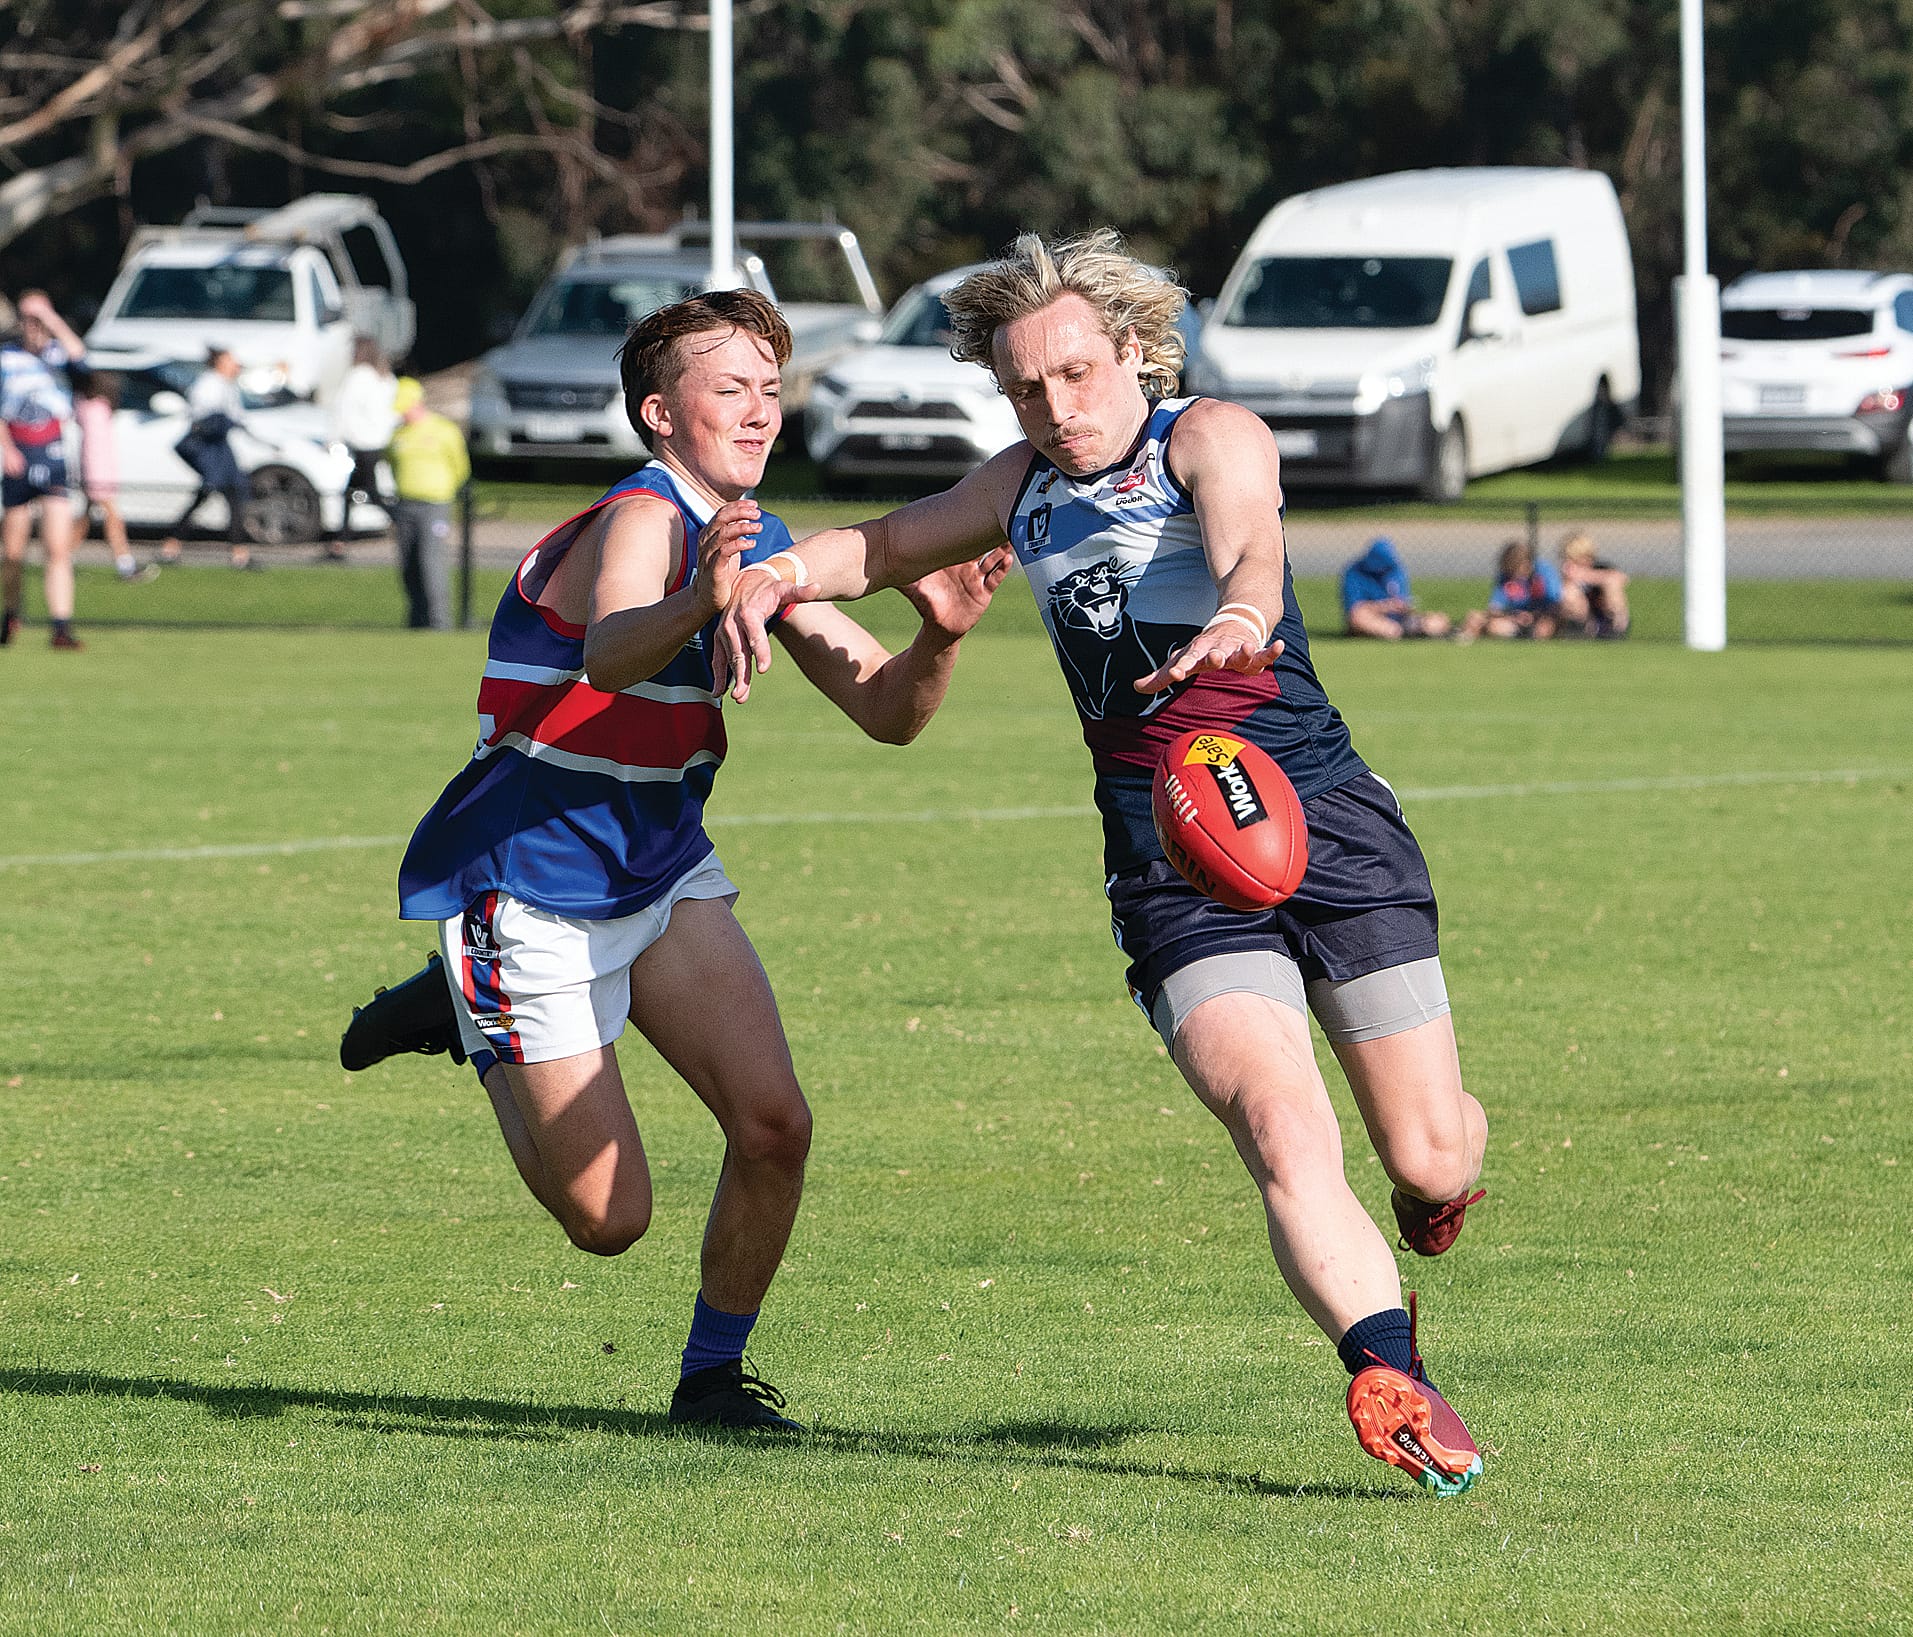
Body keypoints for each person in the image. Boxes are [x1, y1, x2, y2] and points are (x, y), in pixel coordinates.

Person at [717, 231, 1489, 1495]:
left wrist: (1244, 612)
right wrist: (778, 574)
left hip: (1321, 818)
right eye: (1025, 387)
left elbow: (1247, 540)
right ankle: (1385, 1364)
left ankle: (1433, 1193)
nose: (1054, 407)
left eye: (1074, 374)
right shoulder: (1019, 483)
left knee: (1427, 1155)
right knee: (1279, 1123)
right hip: (1167, 855)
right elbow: (889, 542)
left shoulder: (1205, 435)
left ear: (1127, 350)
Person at [339, 289, 1011, 1431]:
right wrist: (703, 591)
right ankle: (471, 1006)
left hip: (656, 872)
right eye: (727, 388)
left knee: (774, 1125)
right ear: (660, 413)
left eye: (769, 388)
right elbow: (607, 649)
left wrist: (936, 633)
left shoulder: (763, 542)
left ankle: (710, 1381)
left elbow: (886, 713)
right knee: (609, 1219)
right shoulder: (644, 516)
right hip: (531, 884)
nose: (758, 411)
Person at [1, 291, 86, 648]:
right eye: (29, 321)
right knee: (13, 551)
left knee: (57, 548)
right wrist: (6, 449)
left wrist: (50, 317)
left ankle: (61, 627)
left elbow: (83, 361)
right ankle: (10, 615)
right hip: (18, 457)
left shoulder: (57, 355)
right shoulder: (7, 358)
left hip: (52, 457)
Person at [160, 347, 256, 570]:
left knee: (229, 493)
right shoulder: (210, 383)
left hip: (220, 444)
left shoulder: (227, 385)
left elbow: (238, 417)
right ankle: (173, 544)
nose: (236, 365)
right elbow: (205, 414)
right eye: (231, 360)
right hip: (210, 446)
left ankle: (237, 552)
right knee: (213, 491)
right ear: (219, 362)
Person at [385, 376, 467, 630]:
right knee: (409, 565)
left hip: (434, 505)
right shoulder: (397, 435)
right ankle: (416, 621)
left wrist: (444, 493)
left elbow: (460, 467)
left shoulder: (444, 430)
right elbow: (391, 462)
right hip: (404, 505)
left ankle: (438, 622)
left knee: (431, 563)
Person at [71, 367, 154, 583]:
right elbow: (93, 448)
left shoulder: (96, 408)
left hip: (102, 471)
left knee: (85, 520)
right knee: (114, 519)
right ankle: (125, 564)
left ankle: (64, 558)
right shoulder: (93, 410)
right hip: (98, 473)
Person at [325, 336, 397, 560]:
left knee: (370, 491)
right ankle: (340, 542)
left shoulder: (357, 377)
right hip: (380, 441)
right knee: (351, 492)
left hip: (362, 441)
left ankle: (401, 520)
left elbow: (342, 409)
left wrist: (333, 437)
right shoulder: (385, 377)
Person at [1458, 537, 1579, 641]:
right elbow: (1495, 608)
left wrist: (1534, 616)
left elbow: (1556, 603)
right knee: (1488, 624)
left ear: (1527, 563)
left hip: (1543, 616)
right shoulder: (1506, 577)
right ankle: (1521, 636)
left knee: (1544, 629)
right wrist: (1514, 616)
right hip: (1515, 620)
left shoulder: (1544, 571)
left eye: (1517, 568)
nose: (1514, 575)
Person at [1340, 536, 1451, 639]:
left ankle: (1413, 631)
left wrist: (1404, 606)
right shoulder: (1354, 573)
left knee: (1437, 621)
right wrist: (1384, 607)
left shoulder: (1395, 570)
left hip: (1400, 619)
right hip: (1372, 618)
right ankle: (1401, 632)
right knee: (1360, 618)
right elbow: (1355, 610)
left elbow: (1401, 598)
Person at [1557, 529, 1630, 638]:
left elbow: (1621, 578)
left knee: (1612, 586)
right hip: (1586, 617)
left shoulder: (1601, 568)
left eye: (1574, 559)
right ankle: (1580, 628)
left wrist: (1585, 575)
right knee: (1569, 591)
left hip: (1604, 613)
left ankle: (1616, 627)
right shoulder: (1567, 574)